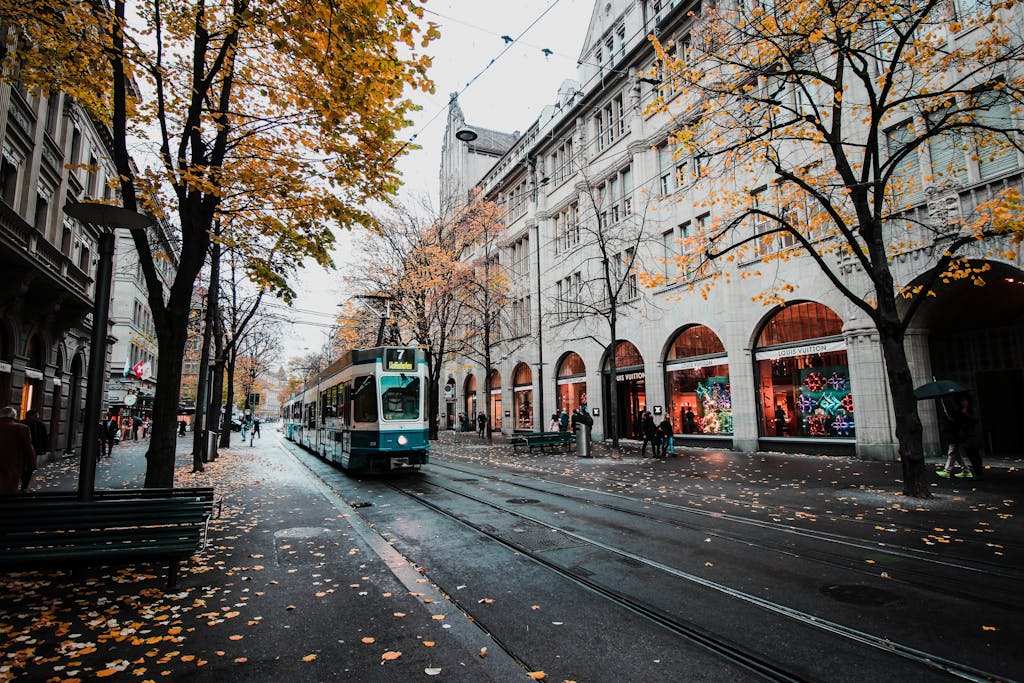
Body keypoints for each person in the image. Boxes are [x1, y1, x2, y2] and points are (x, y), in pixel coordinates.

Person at [1, 406, 36, 493]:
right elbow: (28, 448)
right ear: (14, 416)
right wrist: (31, 464)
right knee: (9, 490)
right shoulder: (22, 428)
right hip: (12, 464)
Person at [938, 396, 974, 478]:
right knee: (956, 453)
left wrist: (952, 420)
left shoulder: (954, 411)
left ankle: (947, 470)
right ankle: (965, 470)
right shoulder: (950, 412)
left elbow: (959, 422)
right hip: (952, 434)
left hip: (954, 435)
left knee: (952, 452)